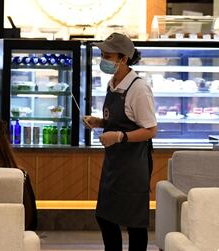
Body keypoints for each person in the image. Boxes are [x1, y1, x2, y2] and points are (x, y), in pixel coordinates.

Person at [83, 33, 157, 251]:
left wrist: (119, 137)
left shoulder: (138, 89)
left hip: (133, 165)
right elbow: (118, 119)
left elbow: (150, 130)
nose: (103, 60)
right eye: (102, 55)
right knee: (105, 217)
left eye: (108, 55)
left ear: (123, 58)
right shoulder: (113, 83)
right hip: (114, 163)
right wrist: (99, 122)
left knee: (134, 224)